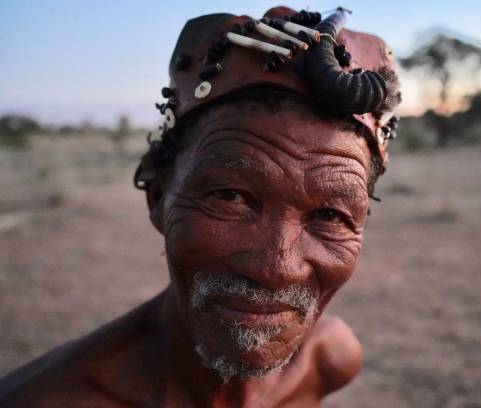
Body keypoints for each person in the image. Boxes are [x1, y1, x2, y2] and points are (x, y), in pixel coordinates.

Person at [0, 6, 401, 407]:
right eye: (231, 196)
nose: (276, 267)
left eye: (330, 215)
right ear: (158, 197)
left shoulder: (328, 362)